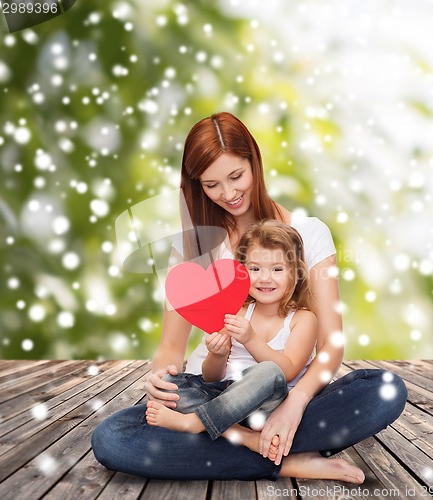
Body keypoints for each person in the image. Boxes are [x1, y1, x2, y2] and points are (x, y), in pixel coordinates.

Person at [91, 112, 407, 482]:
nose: (228, 193)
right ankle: (281, 457)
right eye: (211, 184)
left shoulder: (310, 233)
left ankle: (247, 441)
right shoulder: (192, 246)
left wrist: (293, 405)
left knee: (384, 390)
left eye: (236, 176)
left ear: (254, 162)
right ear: (197, 185)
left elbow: (331, 347)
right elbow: (170, 348)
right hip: (210, 392)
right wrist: (160, 380)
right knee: (111, 438)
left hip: (283, 396)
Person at [145, 221, 322, 463]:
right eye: (255, 269)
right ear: (243, 271)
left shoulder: (302, 319)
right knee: (168, 383)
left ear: (296, 272)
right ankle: (240, 435)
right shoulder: (237, 312)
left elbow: (287, 371)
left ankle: (195, 423)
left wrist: (250, 339)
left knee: (268, 372)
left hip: (269, 407)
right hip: (226, 401)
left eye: (277, 269)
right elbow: (211, 378)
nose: (265, 278)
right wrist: (216, 355)